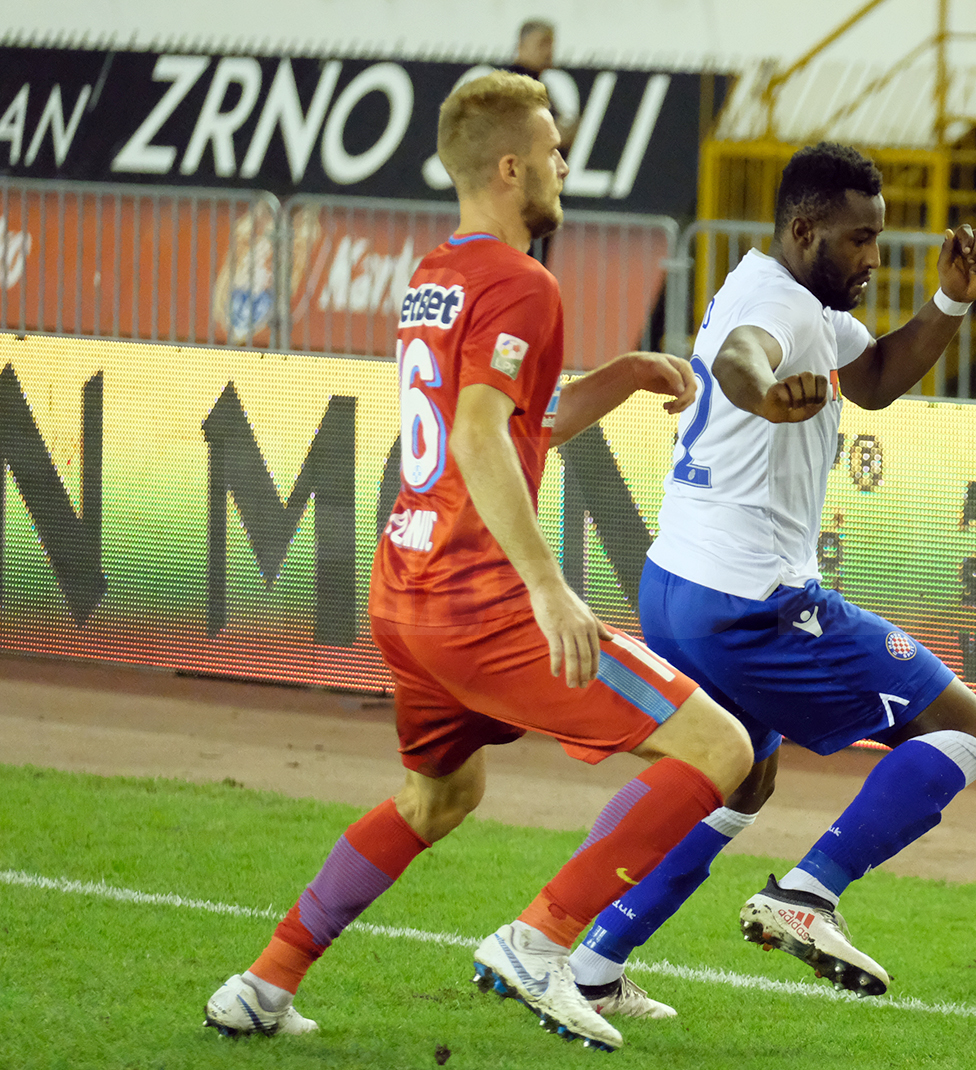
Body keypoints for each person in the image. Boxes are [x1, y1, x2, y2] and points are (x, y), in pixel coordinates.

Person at [201, 70, 752, 1052]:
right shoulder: (522, 283)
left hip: (406, 589)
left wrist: (620, 378)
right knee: (722, 749)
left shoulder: (437, 274)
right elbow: (477, 437)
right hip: (476, 599)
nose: (562, 166)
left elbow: (510, 425)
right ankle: (540, 940)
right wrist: (548, 585)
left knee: (440, 794)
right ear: (512, 166)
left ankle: (264, 980)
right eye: (551, 150)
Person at [563, 143, 976, 1006]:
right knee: (964, 729)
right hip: (749, 599)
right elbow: (741, 357)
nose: (874, 258)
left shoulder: (789, 288)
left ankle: (587, 960)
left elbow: (872, 379)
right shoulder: (773, 304)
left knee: (738, 772)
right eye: (859, 239)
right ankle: (807, 893)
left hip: (677, 584)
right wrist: (762, 394)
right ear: (805, 231)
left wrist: (952, 299)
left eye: (879, 238)